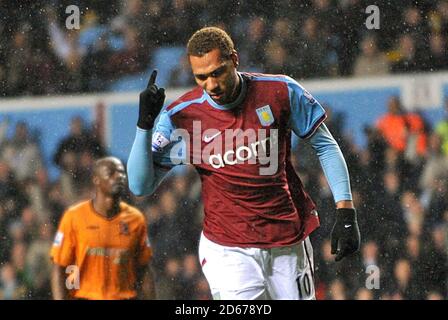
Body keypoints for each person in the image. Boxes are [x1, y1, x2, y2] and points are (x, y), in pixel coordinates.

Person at [127, 27, 360, 300]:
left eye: (217, 73)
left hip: (287, 240)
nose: (211, 85)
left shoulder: (280, 91)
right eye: (201, 77)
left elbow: (325, 145)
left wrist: (345, 211)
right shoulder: (183, 117)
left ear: (234, 59)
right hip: (228, 249)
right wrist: (144, 126)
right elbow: (140, 185)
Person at [50, 156, 155, 300]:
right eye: (111, 173)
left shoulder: (135, 220)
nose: (118, 177)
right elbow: (60, 268)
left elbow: (144, 269)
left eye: (121, 173)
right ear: (96, 180)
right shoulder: (74, 217)